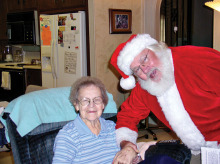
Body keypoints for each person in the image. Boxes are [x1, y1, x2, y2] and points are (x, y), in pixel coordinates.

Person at [110, 34, 220, 163]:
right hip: (198, 149)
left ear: (155, 48)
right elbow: (127, 117)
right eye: (137, 69)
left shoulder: (197, 59)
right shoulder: (144, 88)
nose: (145, 69)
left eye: (144, 59)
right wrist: (127, 145)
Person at [52, 76, 152, 164]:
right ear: (77, 105)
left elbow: (127, 156)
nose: (91, 105)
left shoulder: (112, 128)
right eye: (85, 100)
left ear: (103, 104)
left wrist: (133, 153)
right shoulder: (67, 136)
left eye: (97, 100)